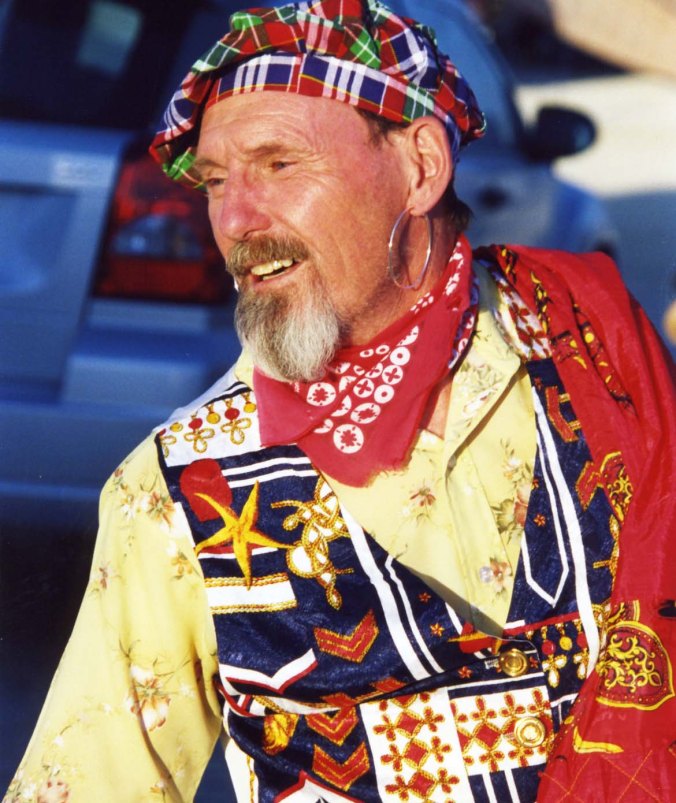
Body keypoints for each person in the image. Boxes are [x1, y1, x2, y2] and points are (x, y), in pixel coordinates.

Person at [5, 1, 675, 801]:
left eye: (279, 164)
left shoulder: (590, 352)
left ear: (421, 168)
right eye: (215, 181)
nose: (235, 220)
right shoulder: (177, 492)